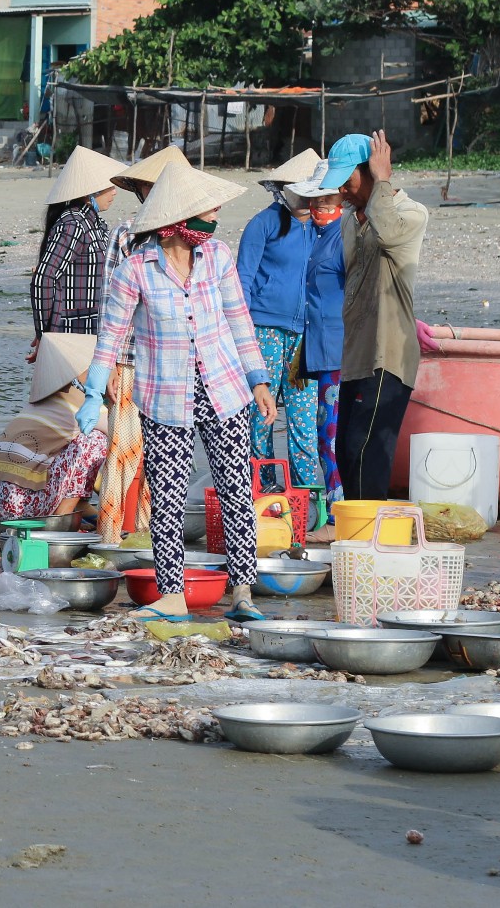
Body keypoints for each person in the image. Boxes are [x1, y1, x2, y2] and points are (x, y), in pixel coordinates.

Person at [81, 160, 277, 623]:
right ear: (176, 223)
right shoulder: (135, 269)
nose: (213, 218)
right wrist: (93, 391)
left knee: (234, 488)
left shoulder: (220, 257)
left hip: (224, 389)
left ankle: (243, 593)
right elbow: (111, 334)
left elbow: (239, 322)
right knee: (167, 494)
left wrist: (259, 381)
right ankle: (172, 595)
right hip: (164, 395)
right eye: (204, 211)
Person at [320, 131, 428, 503]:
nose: (343, 193)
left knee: (367, 451)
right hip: (356, 355)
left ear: (370, 170)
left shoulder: (411, 214)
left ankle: (370, 543)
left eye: (347, 181)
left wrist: (383, 180)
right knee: (347, 453)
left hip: (388, 354)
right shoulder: (350, 221)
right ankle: (357, 541)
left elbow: (387, 235)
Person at [92, 144, 187, 542]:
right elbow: (110, 304)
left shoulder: (192, 238)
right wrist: (109, 364)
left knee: (165, 454)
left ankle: (150, 532)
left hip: (175, 362)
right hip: (131, 360)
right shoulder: (126, 235)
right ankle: (112, 536)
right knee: (122, 452)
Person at [235, 148, 325, 522]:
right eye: (302, 190)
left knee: (304, 420)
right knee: (262, 417)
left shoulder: (325, 227)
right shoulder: (264, 224)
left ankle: (306, 504)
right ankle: (262, 497)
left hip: (305, 339)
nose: (308, 198)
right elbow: (241, 281)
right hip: (263, 333)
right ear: (284, 189)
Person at [0, 332, 109, 524]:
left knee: (65, 450)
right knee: (96, 439)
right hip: (15, 506)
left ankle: (74, 510)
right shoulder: (85, 404)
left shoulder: (37, 401)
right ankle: (62, 519)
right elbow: (126, 436)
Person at [289, 164, 349, 518]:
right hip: (321, 350)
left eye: (328, 201)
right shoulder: (317, 236)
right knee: (323, 434)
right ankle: (333, 508)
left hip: (341, 353)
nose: (321, 208)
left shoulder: (344, 237)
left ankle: (339, 512)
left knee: (331, 436)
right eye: (317, 201)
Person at [29, 145, 128, 355]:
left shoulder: (93, 223)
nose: (114, 191)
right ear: (90, 190)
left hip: (91, 328)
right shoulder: (74, 224)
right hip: (73, 332)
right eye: (109, 186)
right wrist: (44, 334)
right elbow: (44, 279)